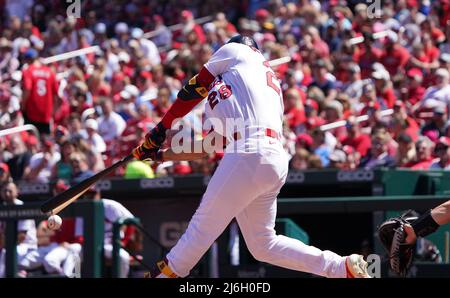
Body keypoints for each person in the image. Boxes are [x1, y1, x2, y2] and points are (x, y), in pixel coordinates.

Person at [132, 35, 370, 278]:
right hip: (270, 157)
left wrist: (162, 128)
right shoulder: (243, 87)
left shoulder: (238, 51)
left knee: (201, 229)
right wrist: (159, 156)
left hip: (249, 150)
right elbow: (209, 146)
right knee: (263, 244)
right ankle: (341, 267)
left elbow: (194, 87)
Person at [21, 48, 59, 135]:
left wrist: (22, 105)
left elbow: (27, 89)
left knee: (32, 139)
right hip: (46, 114)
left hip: (32, 112)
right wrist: (52, 112)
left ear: (28, 60)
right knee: (45, 141)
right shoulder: (50, 72)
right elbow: (56, 95)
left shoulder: (28, 71)